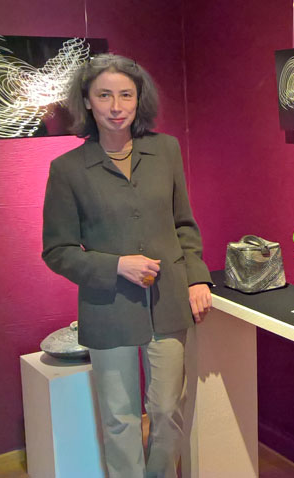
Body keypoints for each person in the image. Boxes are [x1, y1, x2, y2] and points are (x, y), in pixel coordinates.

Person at [42, 53, 212, 478]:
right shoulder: (67, 170)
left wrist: (196, 278)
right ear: (87, 101)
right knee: (119, 418)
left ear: (139, 100)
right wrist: (117, 265)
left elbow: (184, 223)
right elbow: (57, 250)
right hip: (107, 306)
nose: (116, 107)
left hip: (168, 301)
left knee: (167, 410)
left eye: (126, 95)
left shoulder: (166, 150)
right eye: (104, 96)